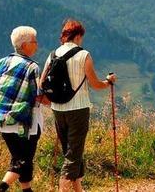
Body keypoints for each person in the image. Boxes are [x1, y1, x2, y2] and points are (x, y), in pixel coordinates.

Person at [41, 19, 117, 192]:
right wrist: (108, 82)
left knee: (71, 149)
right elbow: (95, 84)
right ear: (78, 36)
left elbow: (42, 82)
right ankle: (64, 189)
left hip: (58, 108)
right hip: (78, 109)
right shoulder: (84, 55)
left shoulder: (53, 54)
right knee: (73, 153)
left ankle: (78, 189)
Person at [0, 26, 44, 192]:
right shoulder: (32, 67)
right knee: (22, 161)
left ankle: (27, 190)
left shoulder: (1, 63)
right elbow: (37, 96)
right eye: (34, 41)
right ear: (25, 45)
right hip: (23, 122)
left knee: (19, 158)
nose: (37, 45)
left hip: (2, 120)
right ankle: (0, 189)